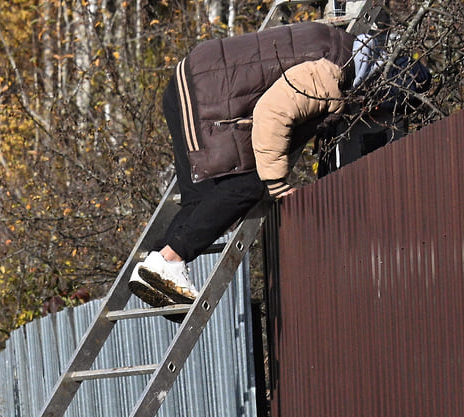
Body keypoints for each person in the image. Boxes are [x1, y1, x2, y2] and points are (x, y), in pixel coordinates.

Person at [129, 21, 381, 307]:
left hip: (187, 85)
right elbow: (272, 113)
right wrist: (275, 183)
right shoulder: (330, 73)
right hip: (205, 98)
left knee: (203, 195)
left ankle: (156, 261)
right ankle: (171, 258)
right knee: (247, 186)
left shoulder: (337, 45)